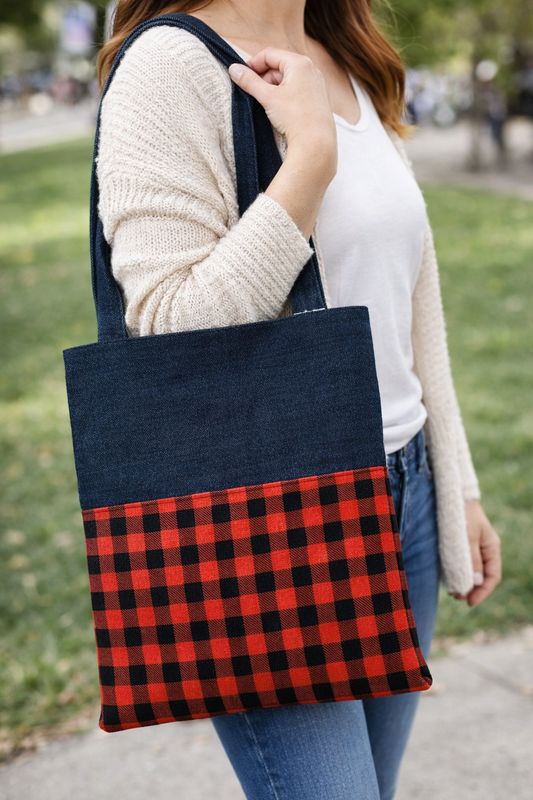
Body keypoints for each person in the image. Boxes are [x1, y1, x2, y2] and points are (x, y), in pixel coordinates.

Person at [95, 1, 502, 797]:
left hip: (403, 492)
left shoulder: (342, 48)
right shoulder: (170, 66)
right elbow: (169, 325)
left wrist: (457, 483)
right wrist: (308, 160)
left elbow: (410, 297)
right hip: (272, 515)